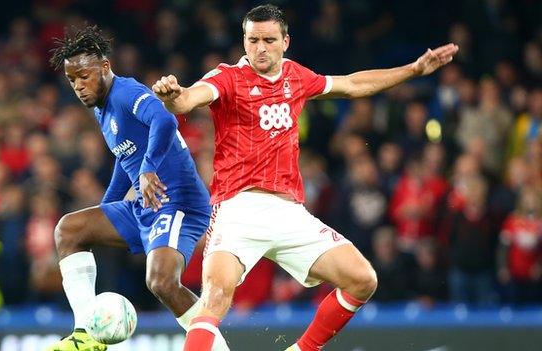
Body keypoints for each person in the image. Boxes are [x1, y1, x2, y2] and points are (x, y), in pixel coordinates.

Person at [152, 4, 458, 351]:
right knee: (215, 300)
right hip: (238, 209)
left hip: (289, 212)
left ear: (286, 41)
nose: (260, 48)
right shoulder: (227, 78)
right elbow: (190, 99)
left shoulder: (296, 76)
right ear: (244, 40)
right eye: (252, 40)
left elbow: (353, 84)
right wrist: (173, 97)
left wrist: (414, 70)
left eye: (269, 40)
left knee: (362, 279)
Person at [47, 25, 228, 351]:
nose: (79, 86)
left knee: (161, 282)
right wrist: (107, 209)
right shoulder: (102, 108)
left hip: (178, 203)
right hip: (147, 204)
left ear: (104, 67)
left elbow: (165, 120)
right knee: (70, 230)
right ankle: (86, 335)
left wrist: (147, 169)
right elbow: (124, 156)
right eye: (72, 80)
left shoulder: (126, 92)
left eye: (84, 76)